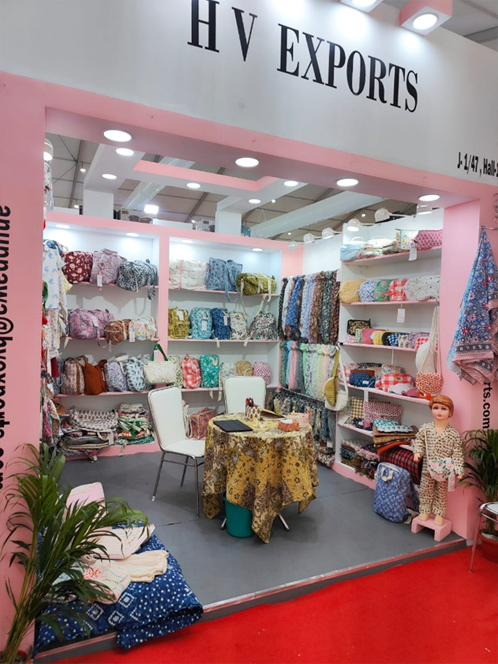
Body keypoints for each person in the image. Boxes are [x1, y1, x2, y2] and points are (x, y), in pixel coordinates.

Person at [413, 395, 464, 526]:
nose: (439, 411)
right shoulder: (425, 429)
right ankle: (424, 510)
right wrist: (418, 451)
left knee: (441, 493)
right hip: (427, 468)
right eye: (436, 408)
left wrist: (459, 469)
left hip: (444, 469)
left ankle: (439, 514)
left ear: (450, 412)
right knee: (425, 489)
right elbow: (419, 441)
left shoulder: (453, 434)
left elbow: (457, 453)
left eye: (443, 408)